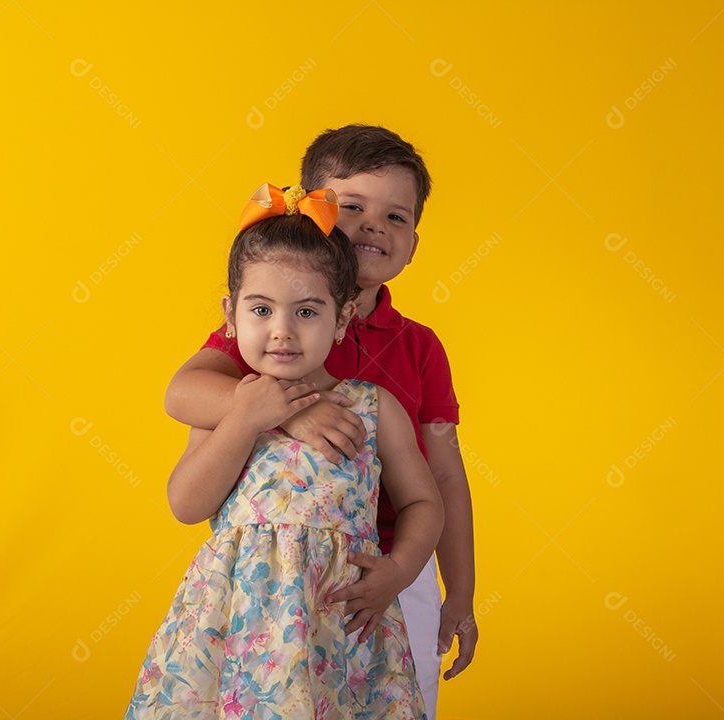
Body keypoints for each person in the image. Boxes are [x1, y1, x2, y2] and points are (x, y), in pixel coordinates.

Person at [164, 126, 477, 717]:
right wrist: (290, 413)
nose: (371, 227)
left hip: (382, 574)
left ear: (414, 241)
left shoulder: (420, 348)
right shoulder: (267, 333)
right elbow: (184, 392)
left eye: (395, 217)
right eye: (351, 207)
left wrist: (456, 591)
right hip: (261, 586)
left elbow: (446, 478)